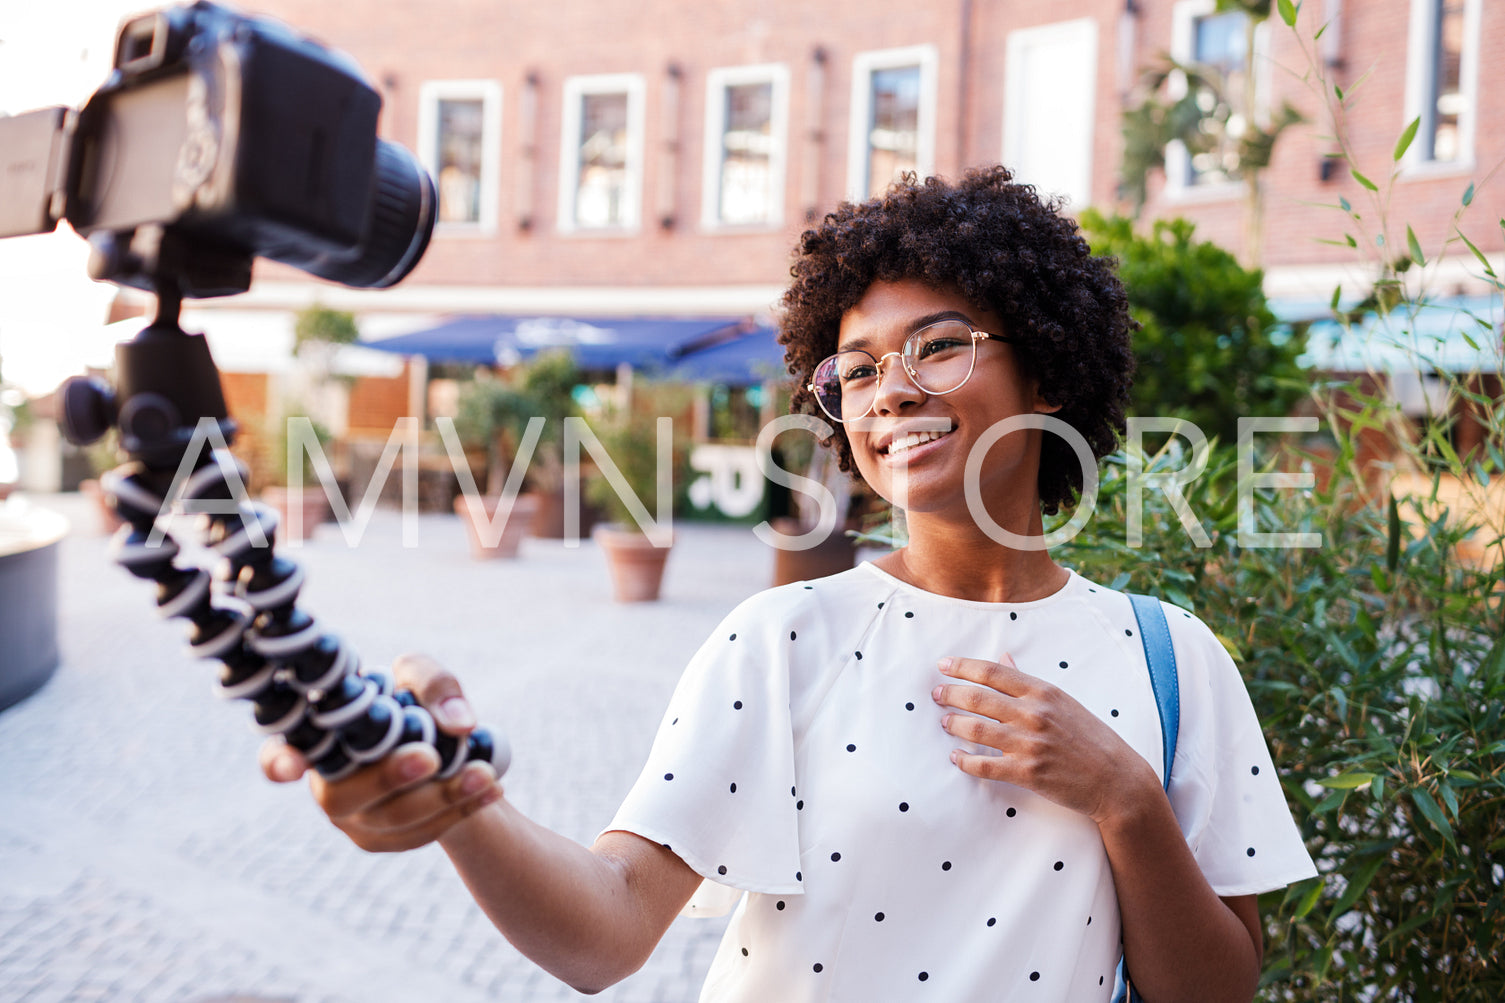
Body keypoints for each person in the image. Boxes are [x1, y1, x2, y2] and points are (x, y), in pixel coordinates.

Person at [261, 166, 1316, 1002]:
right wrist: (462, 804)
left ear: (1043, 369)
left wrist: (1124, 798)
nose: (890, 387)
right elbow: (609, 929)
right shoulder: (783, 638)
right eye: (854, 368)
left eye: (938, 347)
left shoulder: (1171, 657)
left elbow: (1213, 990)